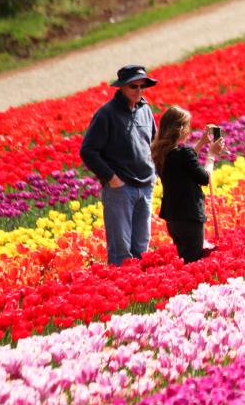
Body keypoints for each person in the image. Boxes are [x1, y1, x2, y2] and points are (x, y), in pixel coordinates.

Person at [80, 64, 159, 266]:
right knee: (121, 252)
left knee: (142, 248)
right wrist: (112, 179)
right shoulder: (106, 114)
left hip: (145, 186)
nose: (139, 91)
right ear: (122, 87)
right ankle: (121, 293)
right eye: (134, 87)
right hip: (120, 189)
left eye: (143, 87)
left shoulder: (145, 111)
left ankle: (139, 288)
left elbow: (155, 143)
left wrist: (154, 173)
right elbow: (88, 151)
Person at [152, 106, 224, 263]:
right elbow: (205, 178)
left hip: (173, 220)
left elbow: (184, 163)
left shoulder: (162, 153)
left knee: (185, 259)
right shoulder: (183, 154)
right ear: (181, 129)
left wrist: (202, 142)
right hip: (189, 218)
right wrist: (211, 155)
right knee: (193, 262)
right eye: (188, 126)